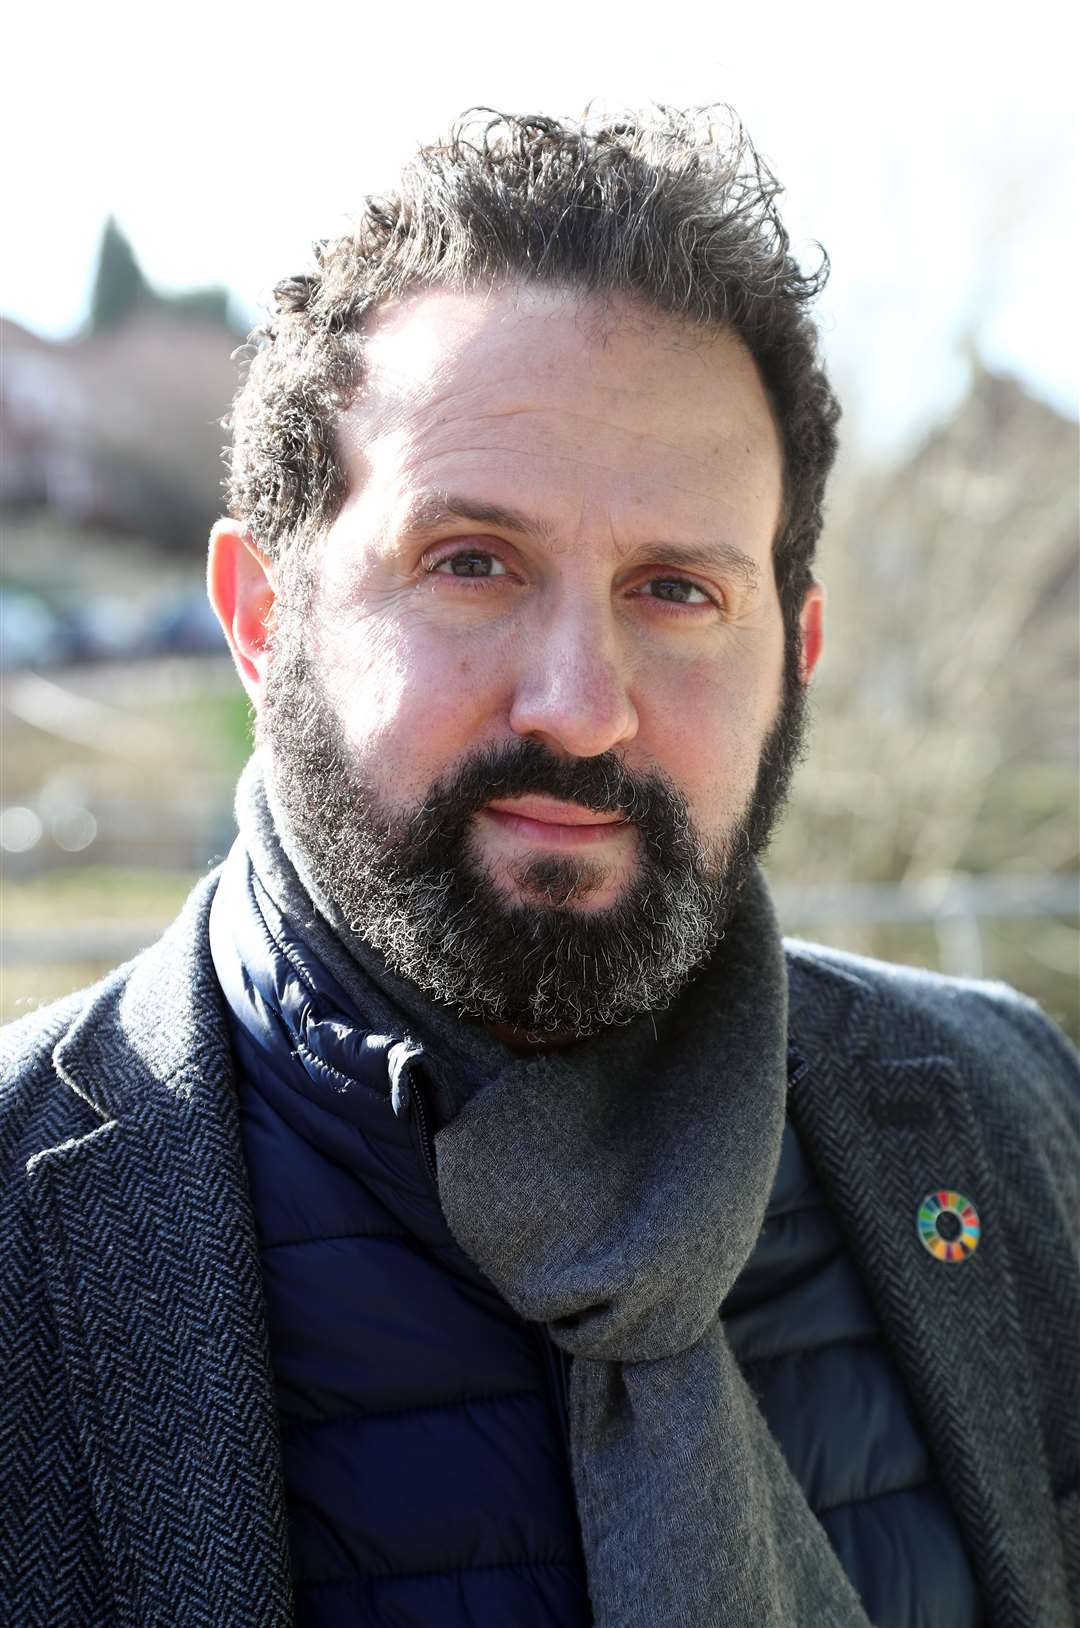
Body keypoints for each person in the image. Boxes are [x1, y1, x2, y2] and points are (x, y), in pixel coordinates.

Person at [2, 109, 1077, 1628]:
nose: (580, 702)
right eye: (471, 562)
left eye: (678, 589)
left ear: (796, 659)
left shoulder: (1005, 1111)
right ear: (261, 617)